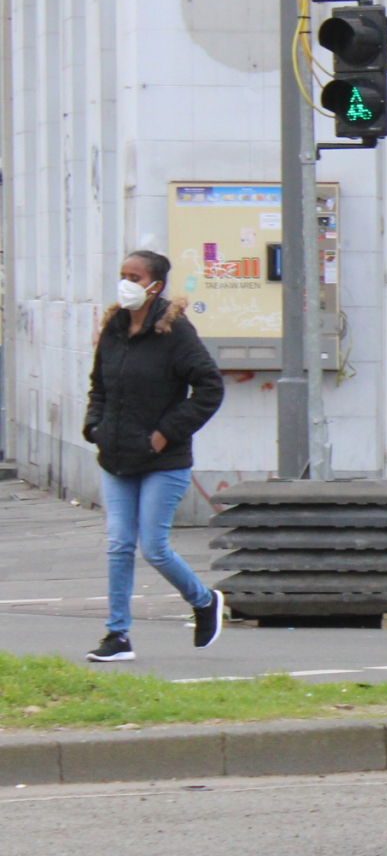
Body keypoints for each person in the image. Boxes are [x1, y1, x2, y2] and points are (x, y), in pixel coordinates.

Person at [82, 250, 225, 660]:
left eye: (135, 276)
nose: (126, 282)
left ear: (155, 286)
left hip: (163, 460)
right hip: (116, 456)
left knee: (154, 547)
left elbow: (210, 388)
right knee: (118, 545)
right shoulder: (114, 325)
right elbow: (100, 385)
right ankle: (117, 636)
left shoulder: (175, 331)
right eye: (123, 273)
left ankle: (203, 601)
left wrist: (164, 435)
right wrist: (95, 427)